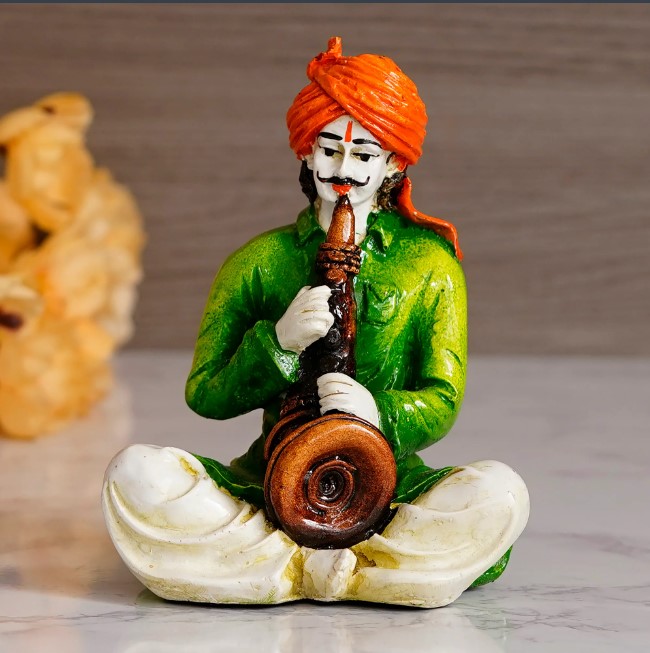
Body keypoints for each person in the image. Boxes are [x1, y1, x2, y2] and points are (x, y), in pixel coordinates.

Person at [102, 37, 529, 608]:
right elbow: (205, 393)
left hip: (389, 483)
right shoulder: (259, 261)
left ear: (394, 163)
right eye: (329, 149)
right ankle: (359, 573)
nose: (344, 169)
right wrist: (277, 344)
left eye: (364, 155)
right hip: (269, 479)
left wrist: (378, 412)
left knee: (500, 491)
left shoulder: (430, 266)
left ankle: (279, 568)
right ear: (306, 152)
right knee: (136, 472)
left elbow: (442, 397)